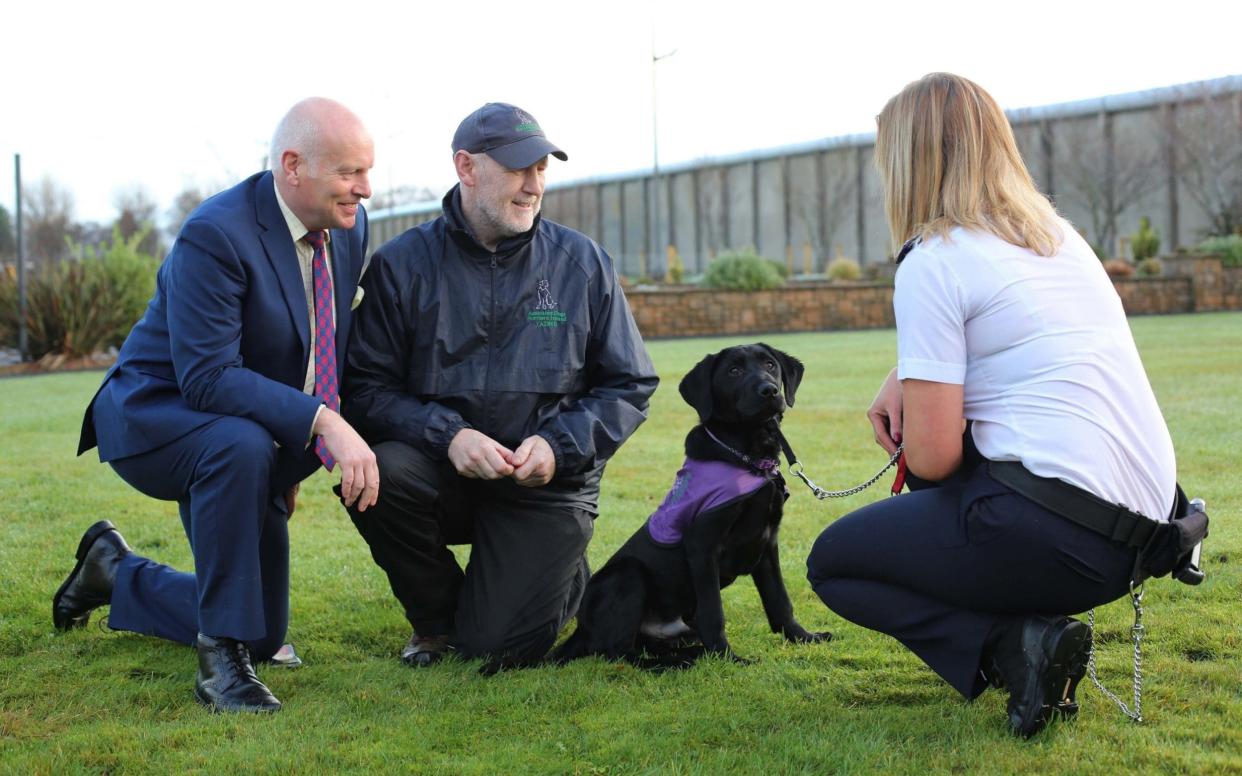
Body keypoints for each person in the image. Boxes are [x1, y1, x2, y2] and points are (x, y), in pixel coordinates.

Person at [805, 73, 1179, 737]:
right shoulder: (1060, 239)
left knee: (834, 563)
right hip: (1146, 535)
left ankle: (1013, 645)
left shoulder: (933, 258)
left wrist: (915, 421)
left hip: (1060, 537)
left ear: (909, 163)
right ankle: (1026, 635)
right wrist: (909, 371)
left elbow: (934, 459)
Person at [54, 97, 380, 713]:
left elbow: (315, 338)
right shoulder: (216, 233)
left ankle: (114, 572)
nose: (365, 188)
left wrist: (287, 461)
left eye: (367, 170)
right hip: (156, 412)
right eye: (349, 173)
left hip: (244, 425)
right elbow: (205, 378)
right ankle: (220, 666)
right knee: (240, 444)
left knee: (268, 632)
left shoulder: (347, 224)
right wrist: (319, 421)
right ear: (292, 165)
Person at [341, 102, 658, 671]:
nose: (533, 185)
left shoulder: (582, 264)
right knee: (374, 472)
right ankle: (435, 623)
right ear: (466, 168)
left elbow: (629, 383)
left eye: (541, 169)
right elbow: (364, 389)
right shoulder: (399, 267)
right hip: (443, 474)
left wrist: (558, 446)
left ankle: (553, 567)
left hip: (545, 485)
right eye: (517, 169)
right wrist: (449, 436)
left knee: (495, 648)